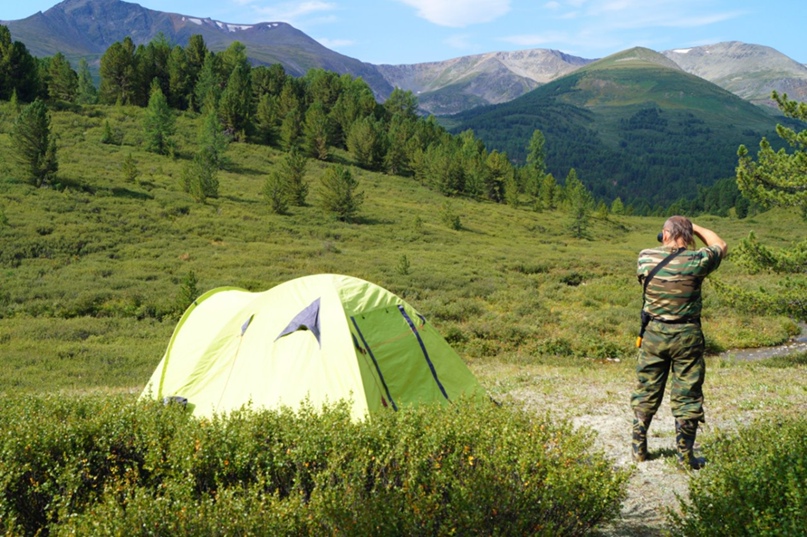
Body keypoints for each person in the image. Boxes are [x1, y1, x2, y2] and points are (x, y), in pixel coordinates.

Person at [631, 216, 727, 470]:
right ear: (687, 235)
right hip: (687, 334)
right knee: (687, 394)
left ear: (664, 234)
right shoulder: (698, 260)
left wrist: (676, 231)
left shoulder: (645, 257)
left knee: (647, 389)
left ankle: (638, 449)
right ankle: (685, 457)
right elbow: (721, 244)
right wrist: (694, 227)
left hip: (653, 332)